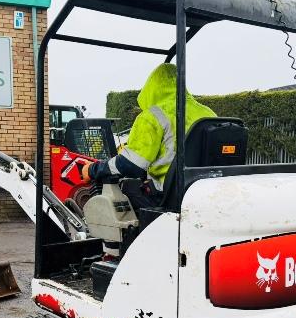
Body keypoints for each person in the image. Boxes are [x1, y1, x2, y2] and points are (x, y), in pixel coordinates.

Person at [82, 63, 216, 210]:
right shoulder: (208, 113)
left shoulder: (153, 116)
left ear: (151, 89)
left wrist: (92, 169)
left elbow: (131, 165)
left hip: (168, 197)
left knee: (125, 186)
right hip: (204, 192)